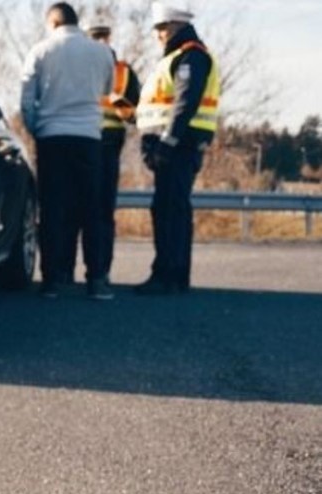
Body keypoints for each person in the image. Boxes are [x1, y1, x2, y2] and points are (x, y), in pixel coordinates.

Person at [21, 3, 115, 299]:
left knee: (52, 209)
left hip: (52, 136)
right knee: (92, 209)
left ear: (53, 22)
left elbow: (27, 100)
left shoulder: (40, 51)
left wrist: (36, 129)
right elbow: (107, 89)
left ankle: (52, 280)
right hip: (88, 137)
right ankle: (96, 279)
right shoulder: (101, 52)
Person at [135, 2, 220, 295]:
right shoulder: (179, 56)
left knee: (169, 209)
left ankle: (167, 276)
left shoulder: (190, 56)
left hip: (178, 145)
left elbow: (185, 102)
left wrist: (167, 142)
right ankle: (174, 275)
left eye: (162, 27)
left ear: (176, 25)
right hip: (177, 143)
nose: (158, 34)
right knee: (172, 208)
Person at [88, 24, 141, 288]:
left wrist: (123, 108)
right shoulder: (82, 66)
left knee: (100, 210)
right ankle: (91, 272)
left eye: (103, 39)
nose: (101, 44)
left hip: (106, 140)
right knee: (90, 210)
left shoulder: (124, 71)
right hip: (87, 139)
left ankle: (98, 271)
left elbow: (136, 113)